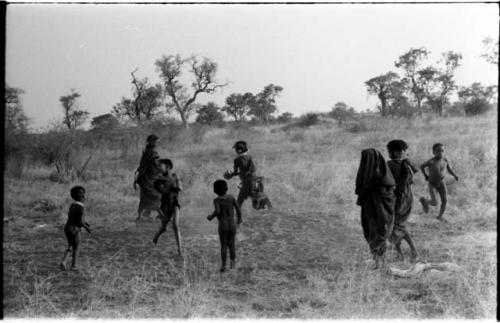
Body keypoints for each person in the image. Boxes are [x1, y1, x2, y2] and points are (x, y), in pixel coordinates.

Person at [355, 148, 396, 269]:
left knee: (379, 232)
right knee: (371, 232)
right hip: (371, 209)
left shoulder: (383, 176)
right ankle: (377, 261)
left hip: (381, 211)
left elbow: (389, 194)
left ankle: (380, 262)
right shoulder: (370, 175)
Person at [386, 140, 418, 262]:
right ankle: (399, 254)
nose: (389, 153)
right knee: (397, 226)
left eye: (390, 151)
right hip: (407, 199)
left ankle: (414, 250)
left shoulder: (389, 165)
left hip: (397, 200)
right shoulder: (407, 165)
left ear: (395, 152)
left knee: (397, 226)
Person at [207, 179, 242, 272]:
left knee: (223, 245)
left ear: (215, 190)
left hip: (223, 224)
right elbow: (238, 209)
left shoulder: (217, 200)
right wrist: (239, 219)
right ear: (226, 188)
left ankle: (223, 266)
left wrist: (211, 217)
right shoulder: (231, 198)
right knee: (231, 244)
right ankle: (233, 265)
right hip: (232, 223)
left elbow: (218, 211)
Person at [419, 143, 459, 221]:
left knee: (444, 200)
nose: (440, 152)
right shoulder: (431, 161)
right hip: (432, 183)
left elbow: (449, 169)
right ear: (433, 152)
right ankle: (425, 201)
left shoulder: (445, 160)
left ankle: (440, 216)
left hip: (441, 183)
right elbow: (422, 166)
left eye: (442, 151)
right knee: (435, 202)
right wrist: (426, 176)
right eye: (438, 151)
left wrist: (455, 175)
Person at [152, 159, 182, 256]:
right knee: (164, 227)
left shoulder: (175, 176)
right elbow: (163, 191)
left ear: (167, 167)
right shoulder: (158, 179)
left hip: (175, 203)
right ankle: (157, 234)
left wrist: (177, 181)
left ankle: (180, 250)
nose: (158, 167)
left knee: (175, 225)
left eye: (161, 165)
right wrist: (171, 186)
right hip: (165, 204)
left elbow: (181, 188)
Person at [60, 186, 91, 271]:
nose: (84, 197)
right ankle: (74, 266)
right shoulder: (82, 208)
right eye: (83, 195)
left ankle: (64, 261)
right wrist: (86, 227)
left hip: (67, 227)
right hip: (75, 229)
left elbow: (75, 218)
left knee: (70, 245)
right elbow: (80, 222)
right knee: (77, 247)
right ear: (82, 197)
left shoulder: (72, 205)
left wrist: (84, 223)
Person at [134, 134, 162, 221]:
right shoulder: (152, 152)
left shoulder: (147, 150)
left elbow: (144, 165)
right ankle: (161, 215)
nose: (157, 143)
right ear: (152, 142)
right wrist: (161, 171)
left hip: (144, 178)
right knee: (156, 196)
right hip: (148, 179)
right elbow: (154, 166)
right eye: (156, 142)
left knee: (145, 197)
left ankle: (143, 214)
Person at [223, 141, 256, 208]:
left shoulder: (237, 160)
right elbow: (253, 169)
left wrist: (229, 175)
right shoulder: (249, 157)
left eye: (235, 149)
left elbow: (236, 172)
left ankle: (237, 217)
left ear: (239, 150)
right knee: (255, 198)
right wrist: (247, 173)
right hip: (253, 181)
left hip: (246, 183)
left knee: (239, 203)